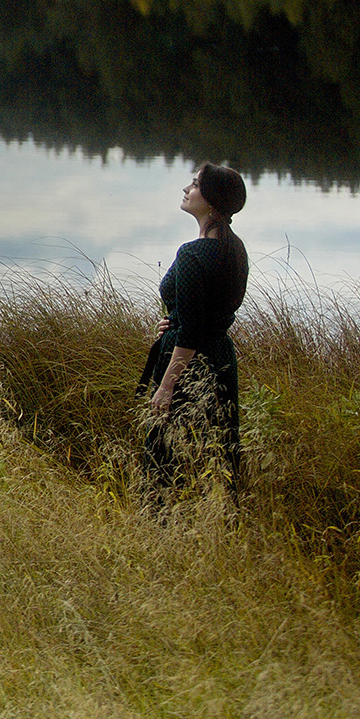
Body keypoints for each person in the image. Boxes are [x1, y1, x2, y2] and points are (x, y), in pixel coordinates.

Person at [137, 162, 249, 498]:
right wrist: (174, 319)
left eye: (196, 184)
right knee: (218, 447)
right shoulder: (235, 249)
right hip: (220, 358)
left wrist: (167, 387)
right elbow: (206, 314)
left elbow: (192, 333)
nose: (187, 189)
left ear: (212, 201)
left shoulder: (193, 253)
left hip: (188, 363)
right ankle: (223, 518)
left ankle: (161, 524)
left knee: (163, 455)